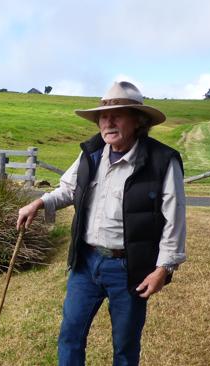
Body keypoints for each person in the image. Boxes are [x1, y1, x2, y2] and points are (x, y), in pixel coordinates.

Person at [16, 81, 186, 366]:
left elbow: (175, 219)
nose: (108, 121)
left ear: (138, 120)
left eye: (117, 114)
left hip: (129, 269)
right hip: (86, 263)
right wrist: (39, 203)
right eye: (102, 116)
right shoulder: (91, 153)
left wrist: (164, 268)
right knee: (70, 336)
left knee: (125, 347)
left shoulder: (162, 161)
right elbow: (69, 189)